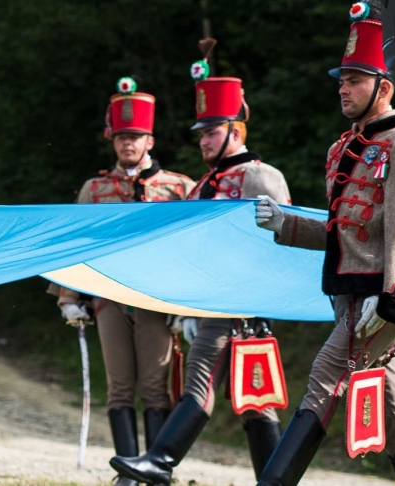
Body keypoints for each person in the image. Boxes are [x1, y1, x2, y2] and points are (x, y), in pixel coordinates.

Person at [251, 0, 395, 485]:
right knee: (394, 413)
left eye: (355, 81)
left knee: (324, 378)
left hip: (383, 297)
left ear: (384, 87)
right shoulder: (342, 147)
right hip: (348, 292)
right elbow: (343, 231)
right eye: (342, 81)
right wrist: (285, 224)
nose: (343, 89)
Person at [110, 46, 288, 484]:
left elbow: (283, 241)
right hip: (210, 303)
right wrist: (189, 307)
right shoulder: (205, 183)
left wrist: (257, 302)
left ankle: (161, 461)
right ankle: (275, 479)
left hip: (241, 305)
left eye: (212, 132)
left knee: (207, 384)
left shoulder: (259, 176)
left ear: (235, 130)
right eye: (202, 132)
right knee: (253, 402)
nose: (204, 140)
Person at [53, 77, 194, 486]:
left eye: (135, 136)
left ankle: (154, 467)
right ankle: (126, 470)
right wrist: (68, 297)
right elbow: (74, 246)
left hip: (157, 299)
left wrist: (186, 306)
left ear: (150, 139)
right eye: (120, 137)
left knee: (154, 387)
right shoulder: (94, 189)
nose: (127, 144)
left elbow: (191, 251)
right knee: (118, 387)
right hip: (108, 298)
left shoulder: (178, 188)